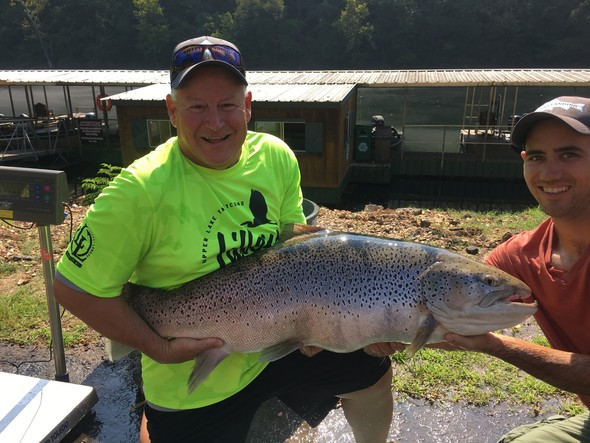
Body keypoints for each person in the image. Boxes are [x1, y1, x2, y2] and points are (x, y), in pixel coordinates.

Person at [53, 36, 393, 443]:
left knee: (370, 373)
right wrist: (158, 349)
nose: (215, 122)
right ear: (172, 111)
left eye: (227, 105)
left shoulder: (275, 156)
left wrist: (320, 328)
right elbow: (72, 288)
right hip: (193, 375)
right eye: (197, 107)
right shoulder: (138, 191)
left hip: (276, 342)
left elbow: (294, 251)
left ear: (247, 105)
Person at [447, 96, 590, 442]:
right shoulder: (519, 257)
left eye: (569, 154)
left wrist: (495, 345)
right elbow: (452, 301)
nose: (549, 173)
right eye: (537, 157)